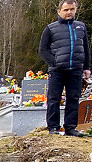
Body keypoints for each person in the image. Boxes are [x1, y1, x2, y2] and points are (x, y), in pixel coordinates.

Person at [39, 0, 91, 136]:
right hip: (57, 70)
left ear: (75, 10)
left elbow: (85, 48)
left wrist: (87, 67)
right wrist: (54, 62)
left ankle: (70, 128)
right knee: (54, 99)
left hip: (76, 69)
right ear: (59, 11)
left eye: (72, 9)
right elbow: (43, 49)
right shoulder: (51, 28)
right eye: (66, 9)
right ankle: (53, 127)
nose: (69, 12)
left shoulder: (81, 27)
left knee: (73, 98)